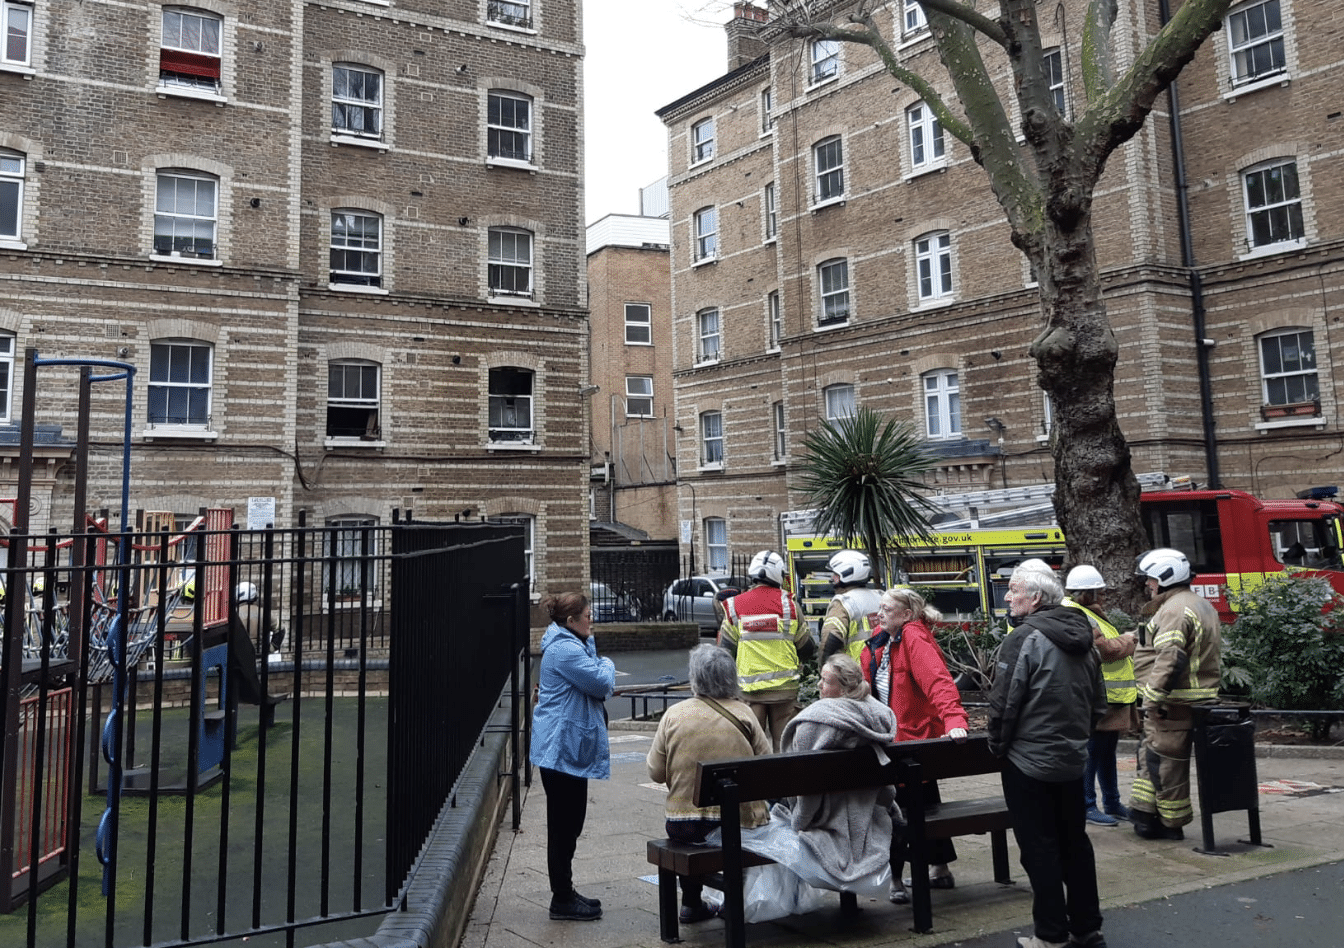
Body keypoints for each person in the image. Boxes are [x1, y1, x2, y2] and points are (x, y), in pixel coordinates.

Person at [989, 566, 1107, 948]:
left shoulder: (1023, 638)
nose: (1007, 597)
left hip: (1028, 763)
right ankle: (1087, 928)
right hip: (1071, 760)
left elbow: (1004, 704)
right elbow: (1098, 702)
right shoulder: (1084, 636)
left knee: (1039, 848)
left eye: (1013, 590)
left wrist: (997, 747)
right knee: (1075, 843)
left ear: (1036, 598)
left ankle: (1050, 936)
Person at [647, 643, 771, 924]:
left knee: (687, 836)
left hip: (684, 823)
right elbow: (764, 766)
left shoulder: (674, 715)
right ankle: (732, 902)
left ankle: (691, 902)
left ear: (695, 677)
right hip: (738, 824)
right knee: (741, 831)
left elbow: (655, 772)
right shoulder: (745, 713)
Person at [862, 586, 968, 903]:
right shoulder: (883, 640)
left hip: (908, 741)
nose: (879, 613)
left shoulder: (912, 636)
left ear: (907, 614)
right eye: (879, 607)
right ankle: (939, 869)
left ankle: (897, 879)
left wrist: (955, 720)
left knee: (898, 811)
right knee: (924, 803)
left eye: (887, 608)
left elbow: (938, 681)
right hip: (904, 739)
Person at [776, 655, 898, 889]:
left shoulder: (815, 721)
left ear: (843, 689)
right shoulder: (879, 716)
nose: (819, 685)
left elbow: (807, 784)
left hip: (828, 809)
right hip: (868, 803)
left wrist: (800, 820)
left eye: (825, 681)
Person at [530, 592, 616, 921]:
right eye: (587, 615)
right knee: (564, 826)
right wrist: (607, 663)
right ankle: (561, 899)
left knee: (571, 823)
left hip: (566, 752)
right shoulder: (565, 650)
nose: (591, 618)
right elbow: (600, 682)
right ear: (571, 621)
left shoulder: (571, 643)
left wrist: (592, 648)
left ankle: (566, 891)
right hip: (559, 751)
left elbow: (592, 673)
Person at [1128, 548, 1222, 841]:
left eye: (1151, 579)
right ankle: (1144, 815)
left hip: (1173, 702)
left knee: (1165, 764)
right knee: (1152, 756)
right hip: (1186, 699)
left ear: (1165, 577)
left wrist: (1152, 699)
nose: (1148, 585)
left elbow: (1170, 658)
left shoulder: (1173, 610)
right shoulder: (1196, 604)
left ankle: (1170, 825)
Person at [1062, 565, 1138, 827]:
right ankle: (1088, 804)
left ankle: (1112, 802)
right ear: (1085, 594)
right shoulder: (1078, 614)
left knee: (1106, 751)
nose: (1104, 597)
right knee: (1093, 751)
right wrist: (1128, 640)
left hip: (1110, 696)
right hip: (1099, 696)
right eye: (1100, 593)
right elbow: (1103, 649)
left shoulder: (1088, 612)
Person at [718, 550, 815, 751]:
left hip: (750, 694)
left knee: (751, 749)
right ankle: (784, 782)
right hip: (785, 693)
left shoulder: (735, 606)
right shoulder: (789, 605)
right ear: (778, 575)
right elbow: (806, 648)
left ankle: (757, 782)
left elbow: (725, 652)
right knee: (787, 748)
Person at [819, 549, 883, 663]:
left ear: (845, 573)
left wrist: (824, 671)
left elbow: (829, 642)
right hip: (882, 673)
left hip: (855, 675)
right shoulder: (880, 597)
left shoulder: (843, 603)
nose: (832, 579)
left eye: (835, 575)